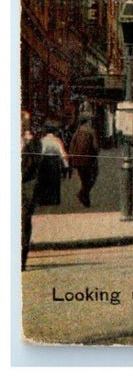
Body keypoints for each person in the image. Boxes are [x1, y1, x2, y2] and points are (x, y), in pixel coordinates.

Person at [21, 113, 43, 271]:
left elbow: (33, 166)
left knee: (23, 223)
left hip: (25, 189)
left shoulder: (33, 144)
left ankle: (21, 260)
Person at [68, 114, 99, 208]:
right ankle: (82, 194)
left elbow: (71, 147)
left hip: (78, 160)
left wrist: (72, 159)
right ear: (87, 121)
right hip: (89, 160)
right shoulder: (91, 131)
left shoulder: (77, 132)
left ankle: (85, 198)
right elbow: (95, 146)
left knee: (84, 179)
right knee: (92, 178)